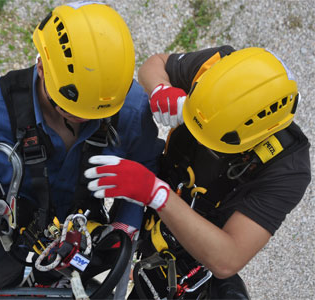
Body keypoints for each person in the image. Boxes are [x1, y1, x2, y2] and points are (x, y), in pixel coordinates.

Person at [0, 2, 164, 290]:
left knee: (89, 282)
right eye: (72, 109)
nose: (85, 120)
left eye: (96, 115)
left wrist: (125, 222)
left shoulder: (127, 109)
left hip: (86, 232)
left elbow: (146, 161)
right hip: (8, 233)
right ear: (43, 67)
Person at [84, 46, 311, 299]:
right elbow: (154, 64)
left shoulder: (287, 169)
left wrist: (157, 195)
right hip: (151, 205)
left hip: (188, 255)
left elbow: (228, 259)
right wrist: (161, 88)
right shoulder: (220, 71)